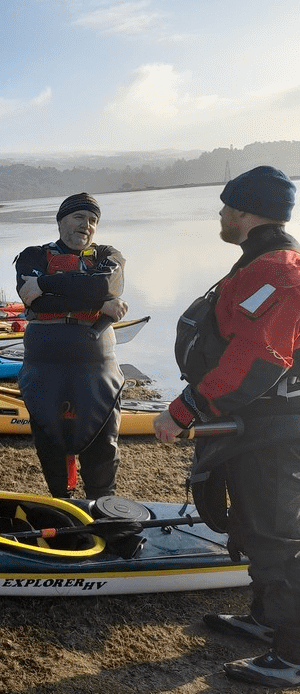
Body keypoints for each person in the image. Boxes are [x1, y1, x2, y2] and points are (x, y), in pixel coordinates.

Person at [154, 166, 300, 689]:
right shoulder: (262, 261)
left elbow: (258, 358)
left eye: (225, 208)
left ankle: (292, 656)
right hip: (256, 426)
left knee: (276, 537)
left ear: (245, 213)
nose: (219, 215)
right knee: (255, 527)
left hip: (278, 432)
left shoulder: (279, 271)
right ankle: (265, 622)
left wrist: (183, 409)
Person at [14, 192, 129, 500]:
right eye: (80, 217)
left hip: (97, 367)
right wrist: (99, 307)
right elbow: (30, 298)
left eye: (93, 220)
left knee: (103, 446)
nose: (87, 225)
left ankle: (103, 508)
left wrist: (47, 285)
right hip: (44, 367)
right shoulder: (33, 255)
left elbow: (105, 285)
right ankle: (61, 505)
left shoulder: (107, 254)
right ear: (61, 220)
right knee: (50, 442)